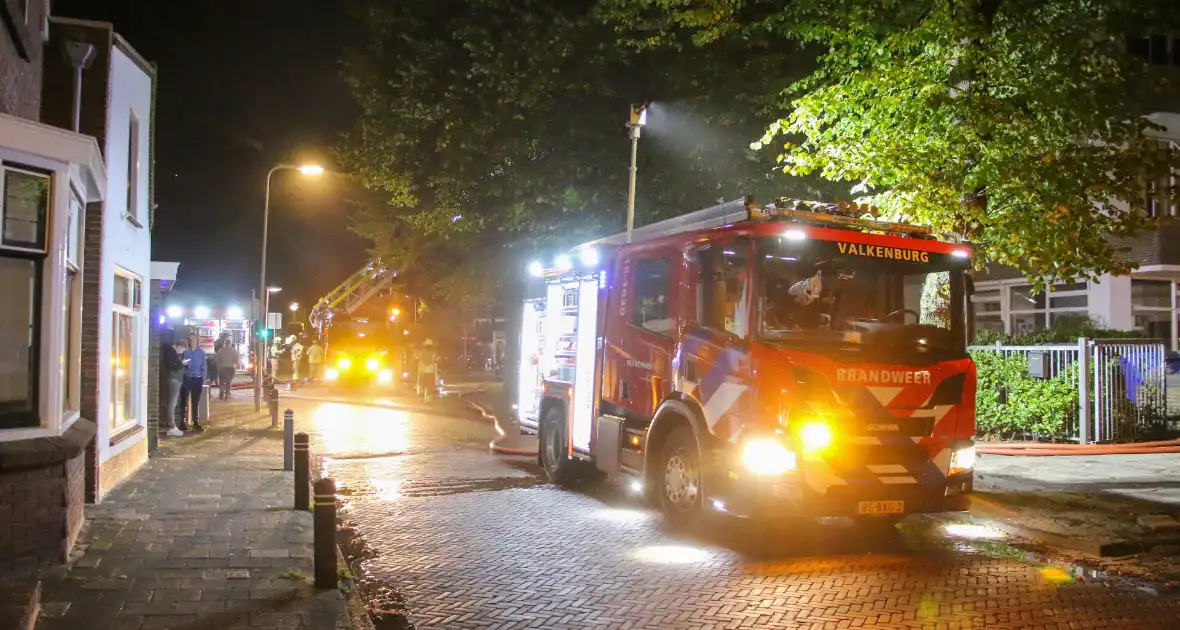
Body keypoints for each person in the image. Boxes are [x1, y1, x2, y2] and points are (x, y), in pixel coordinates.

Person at [180, 333, 208, 431]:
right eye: (190, 340)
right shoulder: (185, 352)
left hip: (197, 378)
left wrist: (203, 377)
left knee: (195, 401)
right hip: (187, 378)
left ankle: (195, 421)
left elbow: (204, 365)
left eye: (194, 340)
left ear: (196, 341)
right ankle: (182, 422)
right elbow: (182, 364)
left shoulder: (201, 353)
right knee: (184, 400)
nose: (192, 342)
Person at [161, 339, 187, 437]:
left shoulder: (171, 353)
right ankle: (171, 427)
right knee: (172, 404)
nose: (182, 351)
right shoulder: (170, 353)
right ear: (178, 346)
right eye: (183, 349)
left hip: (175, 380)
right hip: (174, 380)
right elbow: (172, 365)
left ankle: (172, 426)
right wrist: (181, 364)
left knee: (172, 404)